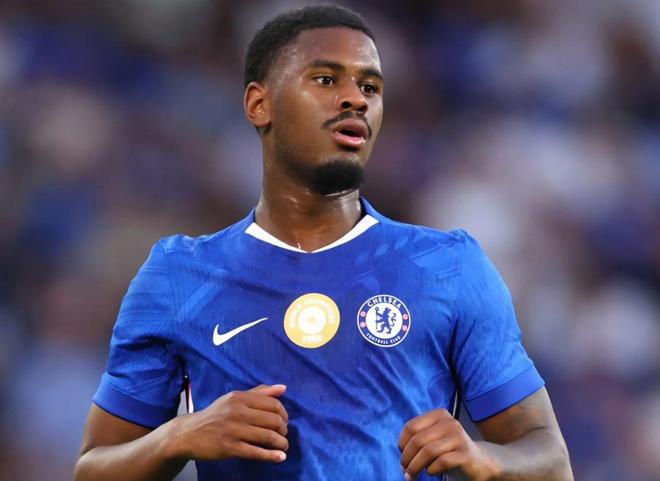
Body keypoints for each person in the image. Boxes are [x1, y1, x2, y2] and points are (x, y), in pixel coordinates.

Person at [74, 5, 573, 481]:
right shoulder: (179, 277)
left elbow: (549, 459)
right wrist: (178, 436)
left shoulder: (448, 267)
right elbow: (95, 466)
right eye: (327, 80)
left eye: (370, 86)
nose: (356, 99)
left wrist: (484, 457)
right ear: (259, 104)